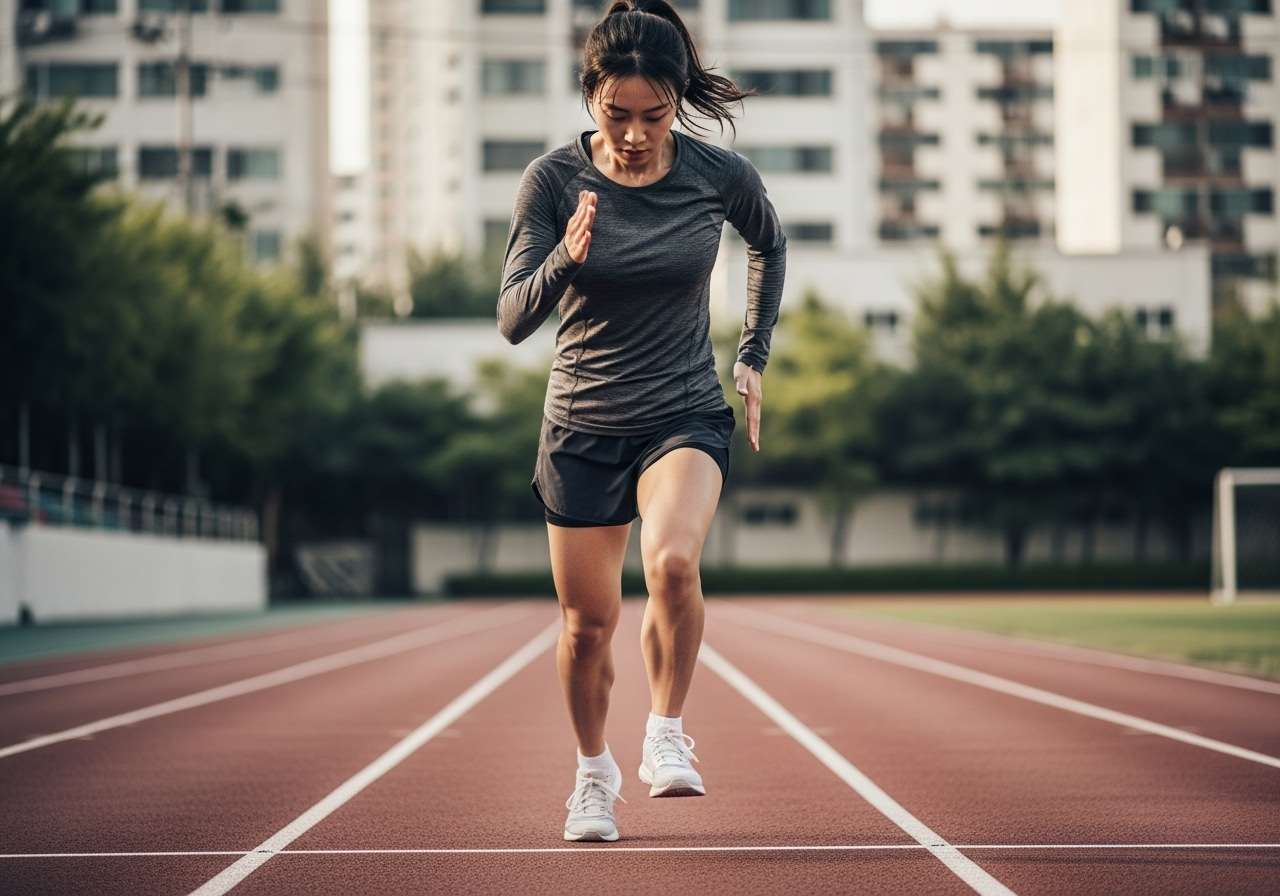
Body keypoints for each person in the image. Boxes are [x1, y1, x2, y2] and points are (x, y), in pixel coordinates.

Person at [497, 0, 785, 842]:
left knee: (671, 563)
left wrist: (752, 352)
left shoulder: (716, 175)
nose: (633, 133)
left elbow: (769, 243)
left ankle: (665, 731)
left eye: (653, 115)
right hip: (582, 422)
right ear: (590, 96)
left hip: (682, 412)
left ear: (678, 100)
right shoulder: (552, 182)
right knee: (587, 628)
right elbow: (513, 318)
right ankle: (593, 775)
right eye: (616, 115)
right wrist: (565, 258)